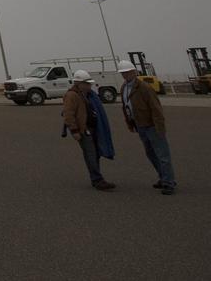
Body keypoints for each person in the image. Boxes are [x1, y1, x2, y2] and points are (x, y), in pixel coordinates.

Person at [118, 60, 177, 195]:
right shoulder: (124, 88)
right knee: (151, 153)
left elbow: (156, 108)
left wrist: (160, 127)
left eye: (127, 72)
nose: (125, 75)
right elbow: (126, 106)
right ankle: (163, 178)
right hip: (140, 125)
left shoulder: (144, 87)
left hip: (151, 125)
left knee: (162, 154)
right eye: (123, 73)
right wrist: (130, 123)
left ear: (134, 72)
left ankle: (169, 182)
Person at [61, 70, 115, 190]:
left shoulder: (89, 95)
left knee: (95, 153)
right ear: (79, 83)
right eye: (86, 83)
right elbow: (68, 114)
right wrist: (74, 131)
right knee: (90, 154)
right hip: (83, 130)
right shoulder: (72, 95)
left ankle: (96, 177)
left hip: (94, 128)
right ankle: (97, 179)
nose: (89, 85)